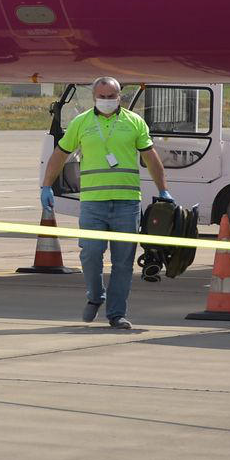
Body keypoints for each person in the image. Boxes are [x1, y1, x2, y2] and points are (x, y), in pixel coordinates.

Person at [39, 76, 172, 332]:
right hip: (93, 203)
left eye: (112, 96)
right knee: (90, 254)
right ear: (94, 97)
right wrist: (47, 185)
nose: (107, 101)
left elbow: (151, 158)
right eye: (102, 96)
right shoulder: (82, 122)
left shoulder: (134, 123)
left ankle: (116, 314)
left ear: (119, 96)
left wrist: (163, 190)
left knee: (123, 262)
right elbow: (60, 154)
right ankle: (95, 295)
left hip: (126, 203)